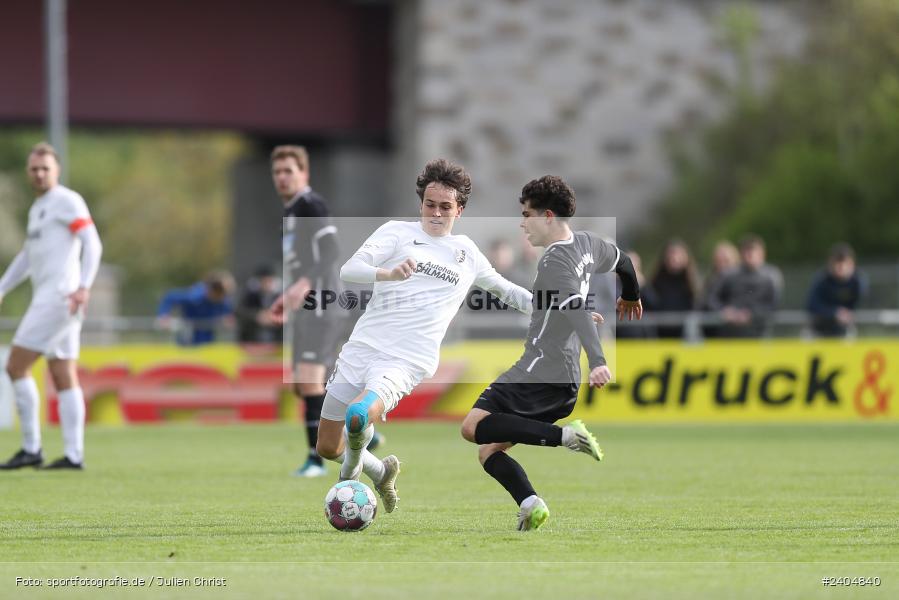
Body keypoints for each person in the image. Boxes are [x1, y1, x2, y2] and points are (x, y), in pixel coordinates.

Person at [297, 158, 533, 514]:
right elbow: (350, 269)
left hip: (406, 359)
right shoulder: (396, 232)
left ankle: (349, 476)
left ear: (459, 210)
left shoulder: (467, 253)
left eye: (445, 207)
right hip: (361, 348)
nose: (435, 213)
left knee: (358, 415)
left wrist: (563, 310)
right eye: (429, 204)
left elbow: (509, 291)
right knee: (328, 447)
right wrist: (388, 274)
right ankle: (381, 472)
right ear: (421, 203)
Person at [459, 175, 642, 531]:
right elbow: (623, 263)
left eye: (526, 215)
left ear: (547, 217)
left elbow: (574, 306)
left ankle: (566, 437)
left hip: (542, 367)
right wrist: (631, 295)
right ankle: (531, 504)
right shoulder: (588, 244)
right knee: (488, 451)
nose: (522, 223)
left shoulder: (553, 261)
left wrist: (599, 360)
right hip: (561, 377)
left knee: (472, 428)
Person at [264, 145, 379, 478]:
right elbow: (302, 262)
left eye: (289, 171)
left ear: (304, 173)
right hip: (307, 308)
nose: (282, 177)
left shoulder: (311, 205)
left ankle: (316, 460)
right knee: (304, 385)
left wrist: (304, 284)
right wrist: (288, 295)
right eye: (277, 172)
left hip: (321, 304)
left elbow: (330, 251)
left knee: (309, 379)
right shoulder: (291, 212)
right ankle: (362, 430)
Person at [0, 142, 103, 470]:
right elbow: (28, 257)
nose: (40, 174)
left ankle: (31, 447)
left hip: (59, 298)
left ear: (57, 170)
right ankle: (74, 455)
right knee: (62, 373)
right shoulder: (39, 208)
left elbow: (92, 242)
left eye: (45, 168)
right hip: (56, 299)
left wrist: (84, 286)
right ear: (28, 172)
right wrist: (2, 286)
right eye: (34, 169)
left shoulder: (66, 201)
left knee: (16, 366)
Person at [707, 235, 781, 338]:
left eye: (753, 252)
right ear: (741, 253)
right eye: (747, 252)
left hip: (759, 335)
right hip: (729, 335)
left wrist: (752, 315)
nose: (750, 256)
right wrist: (724, 311)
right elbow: (712, 299)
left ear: (762, 253)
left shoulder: (771, 276)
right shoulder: (728, 275)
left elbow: (773, 304)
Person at [156, 270, 235, 345]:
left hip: (206, 340)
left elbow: (227, 312)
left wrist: (228, 318)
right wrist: (164, 315)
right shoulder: (195, 297)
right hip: (188, 339)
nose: (223, 297)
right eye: (221, 293)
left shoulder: (222, 302)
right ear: (212, 290)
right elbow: (170, 297)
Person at [807, 243, 867, 338]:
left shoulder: (857, 281)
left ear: (852, 264)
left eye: (844, 264)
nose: (841, 268)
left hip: (846, 328)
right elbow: (811, 305)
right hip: (819, 329)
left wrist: (847, 314)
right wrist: (835, 313)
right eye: (837, 264)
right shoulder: (822, 279)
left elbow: (861, 305)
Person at [649, 239, 699, 339]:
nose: (675, 258)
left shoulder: (692, 284)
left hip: (684, 334)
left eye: (678, 254)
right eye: (671, 254)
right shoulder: (656, 282)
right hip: (660, 332)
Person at [699, 241, 739, 338]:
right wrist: (723, 311)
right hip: (714, 333)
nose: (722, 265)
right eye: (719, 261)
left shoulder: (741, 280)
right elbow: (707, 301)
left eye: (726, 261)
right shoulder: (710, 281)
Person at [236, 265, 282, 344]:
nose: (267, 284)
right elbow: (240, 312)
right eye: (264, 281)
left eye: (269, 281)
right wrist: (257, 316)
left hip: (276, 340)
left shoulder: (280, 296)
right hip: (252, 339)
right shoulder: (249, 295)